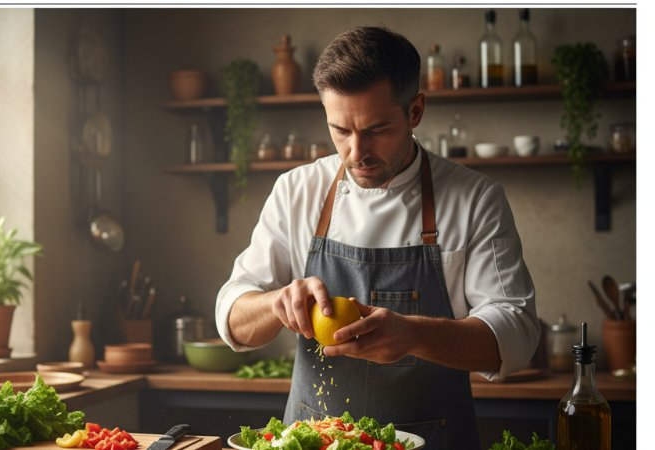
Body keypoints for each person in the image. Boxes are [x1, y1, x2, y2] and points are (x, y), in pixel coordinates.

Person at [215, 26, 539, 450]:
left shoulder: (475, 198)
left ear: (416, 110)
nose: (356, 152)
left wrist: (414, 335)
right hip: (313, 441)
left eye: (376, 129)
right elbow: (233, 315)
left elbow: (516, 334)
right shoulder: (297, 191)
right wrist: (276, 304)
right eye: (340, 130)